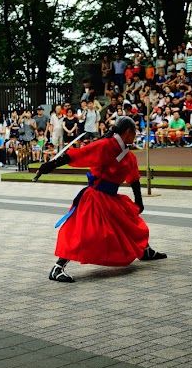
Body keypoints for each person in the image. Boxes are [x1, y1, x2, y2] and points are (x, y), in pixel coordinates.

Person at [33, 116, 166, 283]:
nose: (135, 135)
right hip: (95, 197)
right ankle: (57, 267)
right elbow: (79, 154)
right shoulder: (105, 146)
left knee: (131, 223)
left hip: (111, 197)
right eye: (134, 132)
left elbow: (134, 177)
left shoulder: (127, 155)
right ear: (127, 132)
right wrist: (49, 166)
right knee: (84, 233)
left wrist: (138, 200)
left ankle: (144, 250)